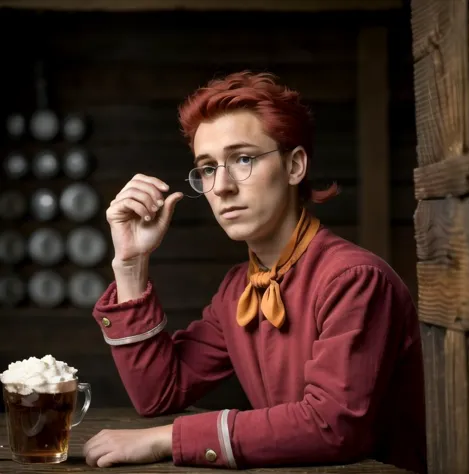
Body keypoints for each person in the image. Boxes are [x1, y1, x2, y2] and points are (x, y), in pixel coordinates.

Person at [83, 71, 427, 473]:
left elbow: (331, 426)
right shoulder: (238, 290)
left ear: (295, 165)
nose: (223, 186)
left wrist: (167, 438)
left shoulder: (354, 279)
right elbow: (159, 393)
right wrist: (130, 264)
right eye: (208, 168)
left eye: (243, 158)